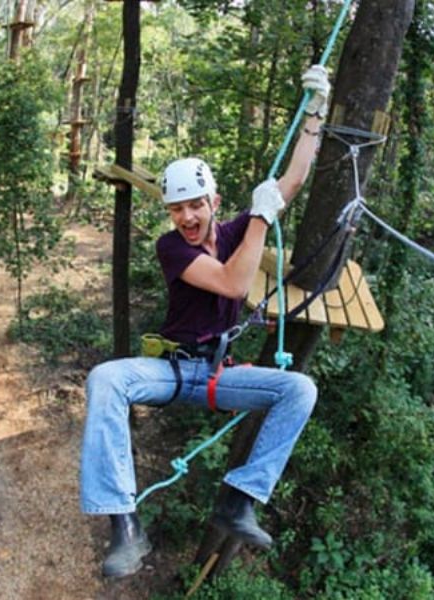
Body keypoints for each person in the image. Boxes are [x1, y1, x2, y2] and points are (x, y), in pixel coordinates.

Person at [80, 65, 331, 579]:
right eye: (177, 209)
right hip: (172, 373)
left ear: (214, 203)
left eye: (196, 205)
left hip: (219, 376)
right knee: (106, 378)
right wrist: (261, 220)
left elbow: (295, 178)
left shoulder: (237, 228)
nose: (188, 218)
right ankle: (124, 525)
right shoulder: (171, 248)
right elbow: (234, 285)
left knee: (299, 389)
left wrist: (314, 113)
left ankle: (238, 501)